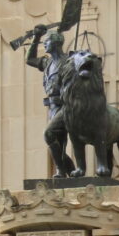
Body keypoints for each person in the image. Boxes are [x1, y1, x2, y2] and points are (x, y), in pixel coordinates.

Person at [26, 26, 74, 176]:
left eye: (46, 41)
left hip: (66, 105)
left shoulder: (68, 61)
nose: (44, 44)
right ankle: (70, 171)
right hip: (52, 106)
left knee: (49, 134)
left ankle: (61, 169)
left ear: (56, 42)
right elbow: (29, 59)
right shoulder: (47, 63)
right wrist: (36, 37)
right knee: (58, 142)